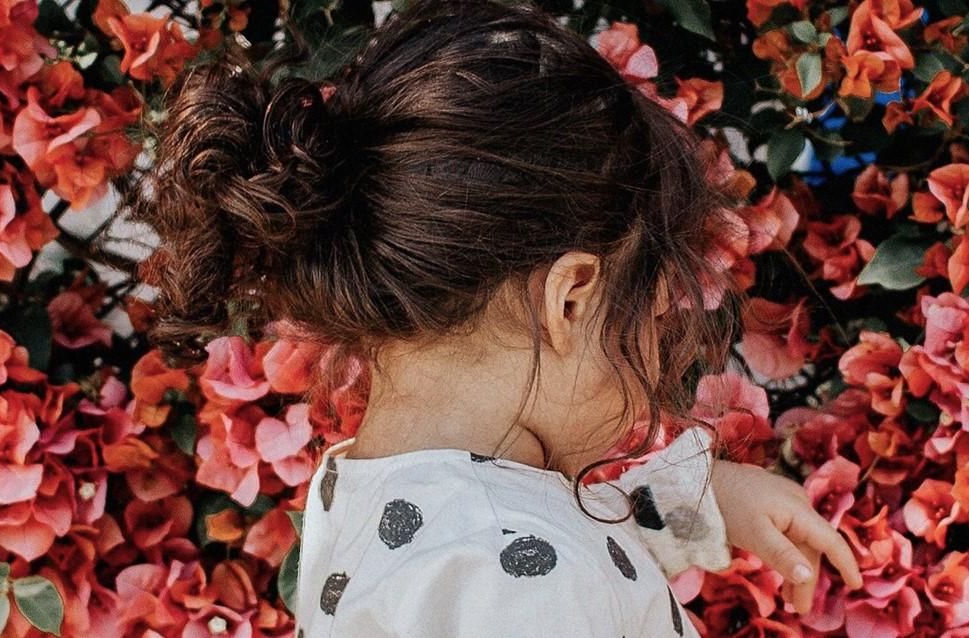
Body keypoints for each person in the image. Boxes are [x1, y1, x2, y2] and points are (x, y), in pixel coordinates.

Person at [136, 0, 862, 635]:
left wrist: (700, 501)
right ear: (571, 300)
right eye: (656, 315)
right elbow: (531, 564)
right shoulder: (515, 586)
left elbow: (537, 538)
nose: (662, 353)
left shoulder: (371, 494)